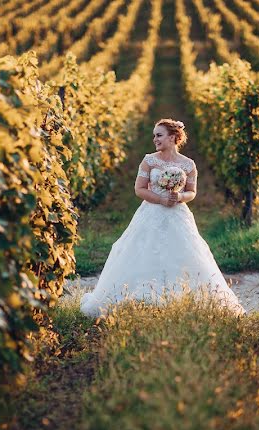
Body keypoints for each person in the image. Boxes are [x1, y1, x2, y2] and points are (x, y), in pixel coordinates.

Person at [80, 118, 244, 317]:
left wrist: (179, 196)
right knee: (143, 251)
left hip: (178, 214)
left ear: (173, 137)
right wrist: (160, 199)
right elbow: (139, 189)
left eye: (159, 135)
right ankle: (139, 299)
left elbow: (192, 192)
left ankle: (180, 299)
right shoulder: (149, 160)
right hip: (151, 213)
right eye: (154, 136)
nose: (155, 139)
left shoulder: (188, 164)